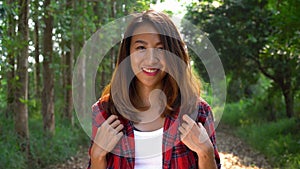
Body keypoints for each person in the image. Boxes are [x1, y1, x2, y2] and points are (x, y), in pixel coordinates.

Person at [88, 10, 221, 169]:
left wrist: (206, 152)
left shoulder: (198, 111)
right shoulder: (104, 111)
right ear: (127, 54)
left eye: (160, 48)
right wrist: (97, 156)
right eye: (141, 47)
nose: (151, 59)